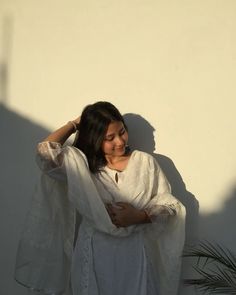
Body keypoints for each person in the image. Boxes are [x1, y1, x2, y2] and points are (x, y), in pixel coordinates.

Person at [15, 101, 185, 295]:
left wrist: (140, 216)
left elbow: (169, 207)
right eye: (109, 137)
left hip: (135, 256)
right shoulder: (81, 167)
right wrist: (75, 124)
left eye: (122, 132)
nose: (120, 142)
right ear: (94, 138)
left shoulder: (145, 163)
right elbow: (45, 154)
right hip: (94, 254)